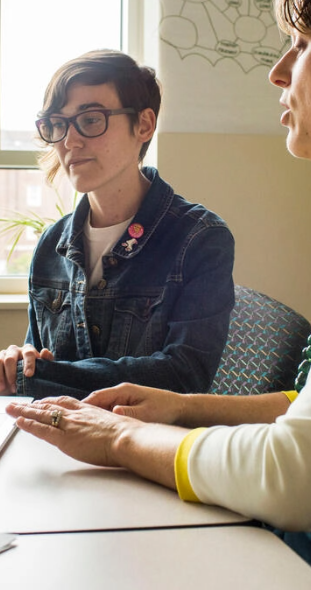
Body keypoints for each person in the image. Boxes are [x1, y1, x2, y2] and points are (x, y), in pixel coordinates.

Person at [7, 0, 311, 589]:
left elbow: (295, 475)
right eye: (60, 124)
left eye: (300, 46)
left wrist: (120, 438)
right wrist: (179, 410)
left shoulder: (204, 236)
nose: (277, 72)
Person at [0, 50, 235, 399]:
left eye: (91, 120)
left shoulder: (199, 239)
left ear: (144, 125)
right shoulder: (53, 245)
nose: (69, 141)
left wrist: (42, 376)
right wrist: (23, 362)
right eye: (58, 124)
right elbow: (39, 364)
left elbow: (185, 375)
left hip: (143, 445)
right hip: (58, 436)